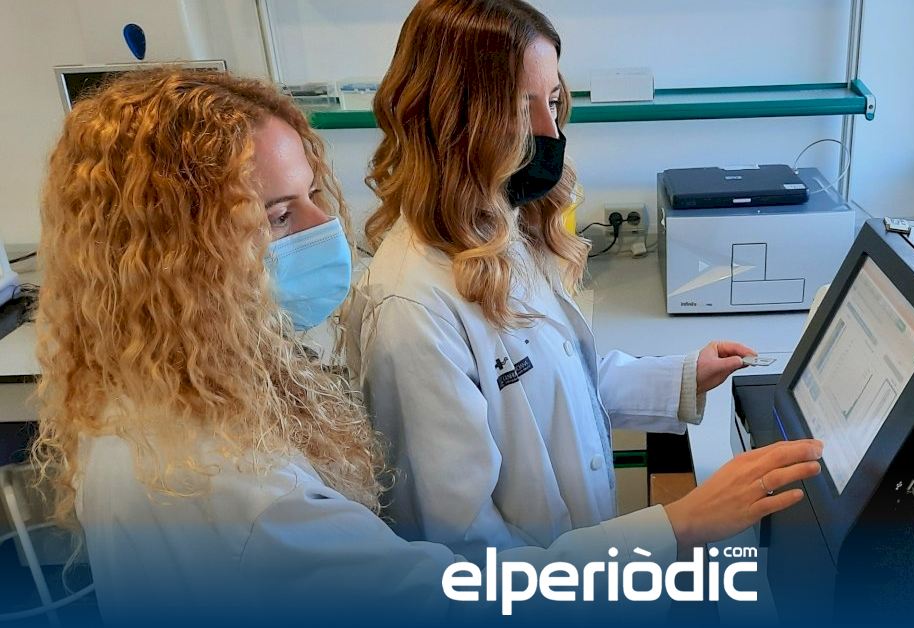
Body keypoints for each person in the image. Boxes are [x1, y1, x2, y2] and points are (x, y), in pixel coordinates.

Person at [31, 69, 821, 623]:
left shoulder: (185, 383)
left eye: (313, 194)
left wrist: (676, 380)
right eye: (277, 215)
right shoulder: (242, 494)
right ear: (170, 254)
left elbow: (545, 377)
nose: (324, 227)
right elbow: (449, 592)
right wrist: (678, 526)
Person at [347, 0, 762, 559]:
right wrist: (677, 525)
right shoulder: (411, 308)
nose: (551, 131)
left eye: (553, 101)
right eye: (522, 107)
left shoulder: (496, 233)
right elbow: (469, 562)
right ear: (450, 119)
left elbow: (555, 390)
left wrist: (682, 377)